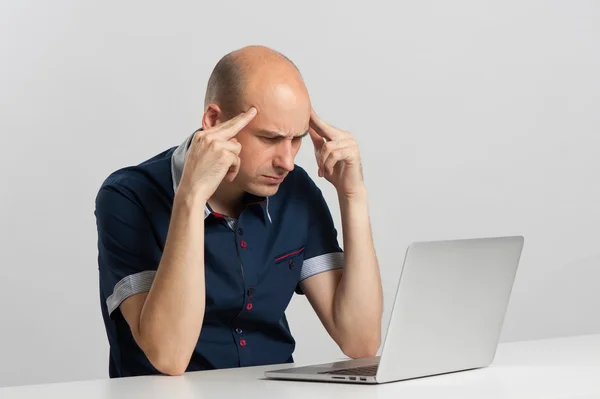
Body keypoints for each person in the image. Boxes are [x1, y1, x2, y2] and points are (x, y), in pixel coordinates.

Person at [95, 45, 383, 378]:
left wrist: (353, 194)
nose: (286, 162)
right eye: (270, 138)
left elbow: (360, 341)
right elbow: (168, 356)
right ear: (215, 121)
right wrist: (191, 197)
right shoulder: (128, 196)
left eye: (297, 139)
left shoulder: (295, 190)